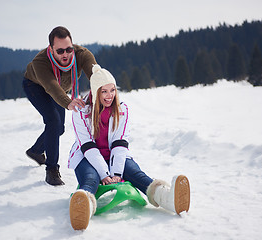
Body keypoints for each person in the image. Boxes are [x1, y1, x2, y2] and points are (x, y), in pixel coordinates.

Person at [68, 64, 190, 230]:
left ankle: (167, 198)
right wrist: (104, 173)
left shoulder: (121, 109)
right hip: (86, 157)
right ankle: (83, 207)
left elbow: (120, 143)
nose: (109, 95)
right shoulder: (81, 111)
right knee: (91, 178)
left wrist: (117, 172)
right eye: (104, 91)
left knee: (135, 173)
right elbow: (87, 146)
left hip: (114, 155)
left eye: (112, 90)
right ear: (95, 92)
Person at [23, 26, 97, 186]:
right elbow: (51, 86)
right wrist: (68, 102)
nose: (65, 54)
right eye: (60, 51)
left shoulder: (82, 55)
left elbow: (96, 75)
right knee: (53, 122)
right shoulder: (40, 61)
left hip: (60, 90)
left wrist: (102, 93)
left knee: (59, 129)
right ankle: (52, 170)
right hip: (36, 86)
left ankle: (35, 151)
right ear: (51, 48)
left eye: (69, 49)